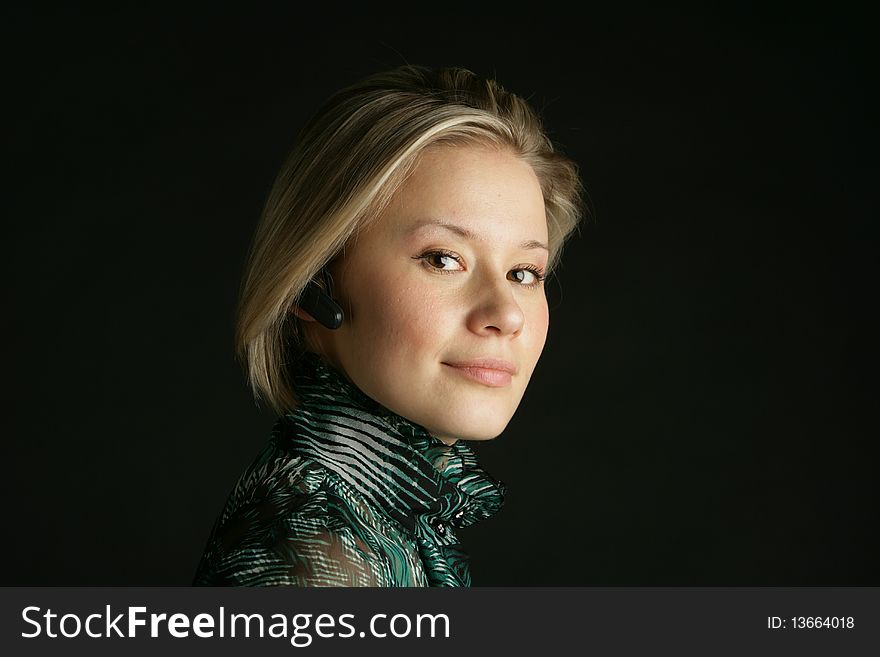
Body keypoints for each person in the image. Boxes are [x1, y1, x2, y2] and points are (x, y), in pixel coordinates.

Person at [193, 64, 584, 586]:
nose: (507, 313)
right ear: (314, 282)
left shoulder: (377, 526)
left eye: (524, 272)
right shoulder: (316, 556)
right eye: (443, 259)